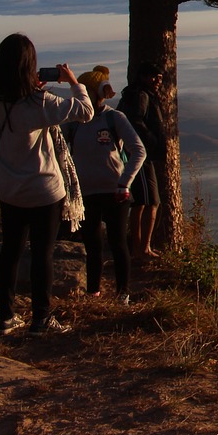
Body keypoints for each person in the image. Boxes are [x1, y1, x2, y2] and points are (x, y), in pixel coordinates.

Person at [0, 33, 93, 335]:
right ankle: (41, 319)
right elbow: (85, 111)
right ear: (30, 65)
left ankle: (6, 316)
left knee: (10, 252)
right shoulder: (39, 101)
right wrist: (71, 81)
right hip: (44, 190)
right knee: (42, 254)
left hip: (9, 189)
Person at [68, 66, 146, 305]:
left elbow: (138, 151)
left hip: (115, 192)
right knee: (92, 244)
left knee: (118, 243)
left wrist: (125, 183)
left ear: (94, 92)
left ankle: (123, 293)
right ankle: (93, 292)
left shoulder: (114, 118)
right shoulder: (73, 122)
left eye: (82, 91)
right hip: (86, 194)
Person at [118, 61, 166, 259]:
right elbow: (136, 121)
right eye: (154, 77)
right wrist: (151, 141)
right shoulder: (141, 96)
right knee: (150, 201)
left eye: (160, 78)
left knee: (139, 203)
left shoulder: (134, 94)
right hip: (140, 156)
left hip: (133, 154)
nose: (157, 81)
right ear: (143, 77)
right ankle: (142, 249)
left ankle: (138, 248)